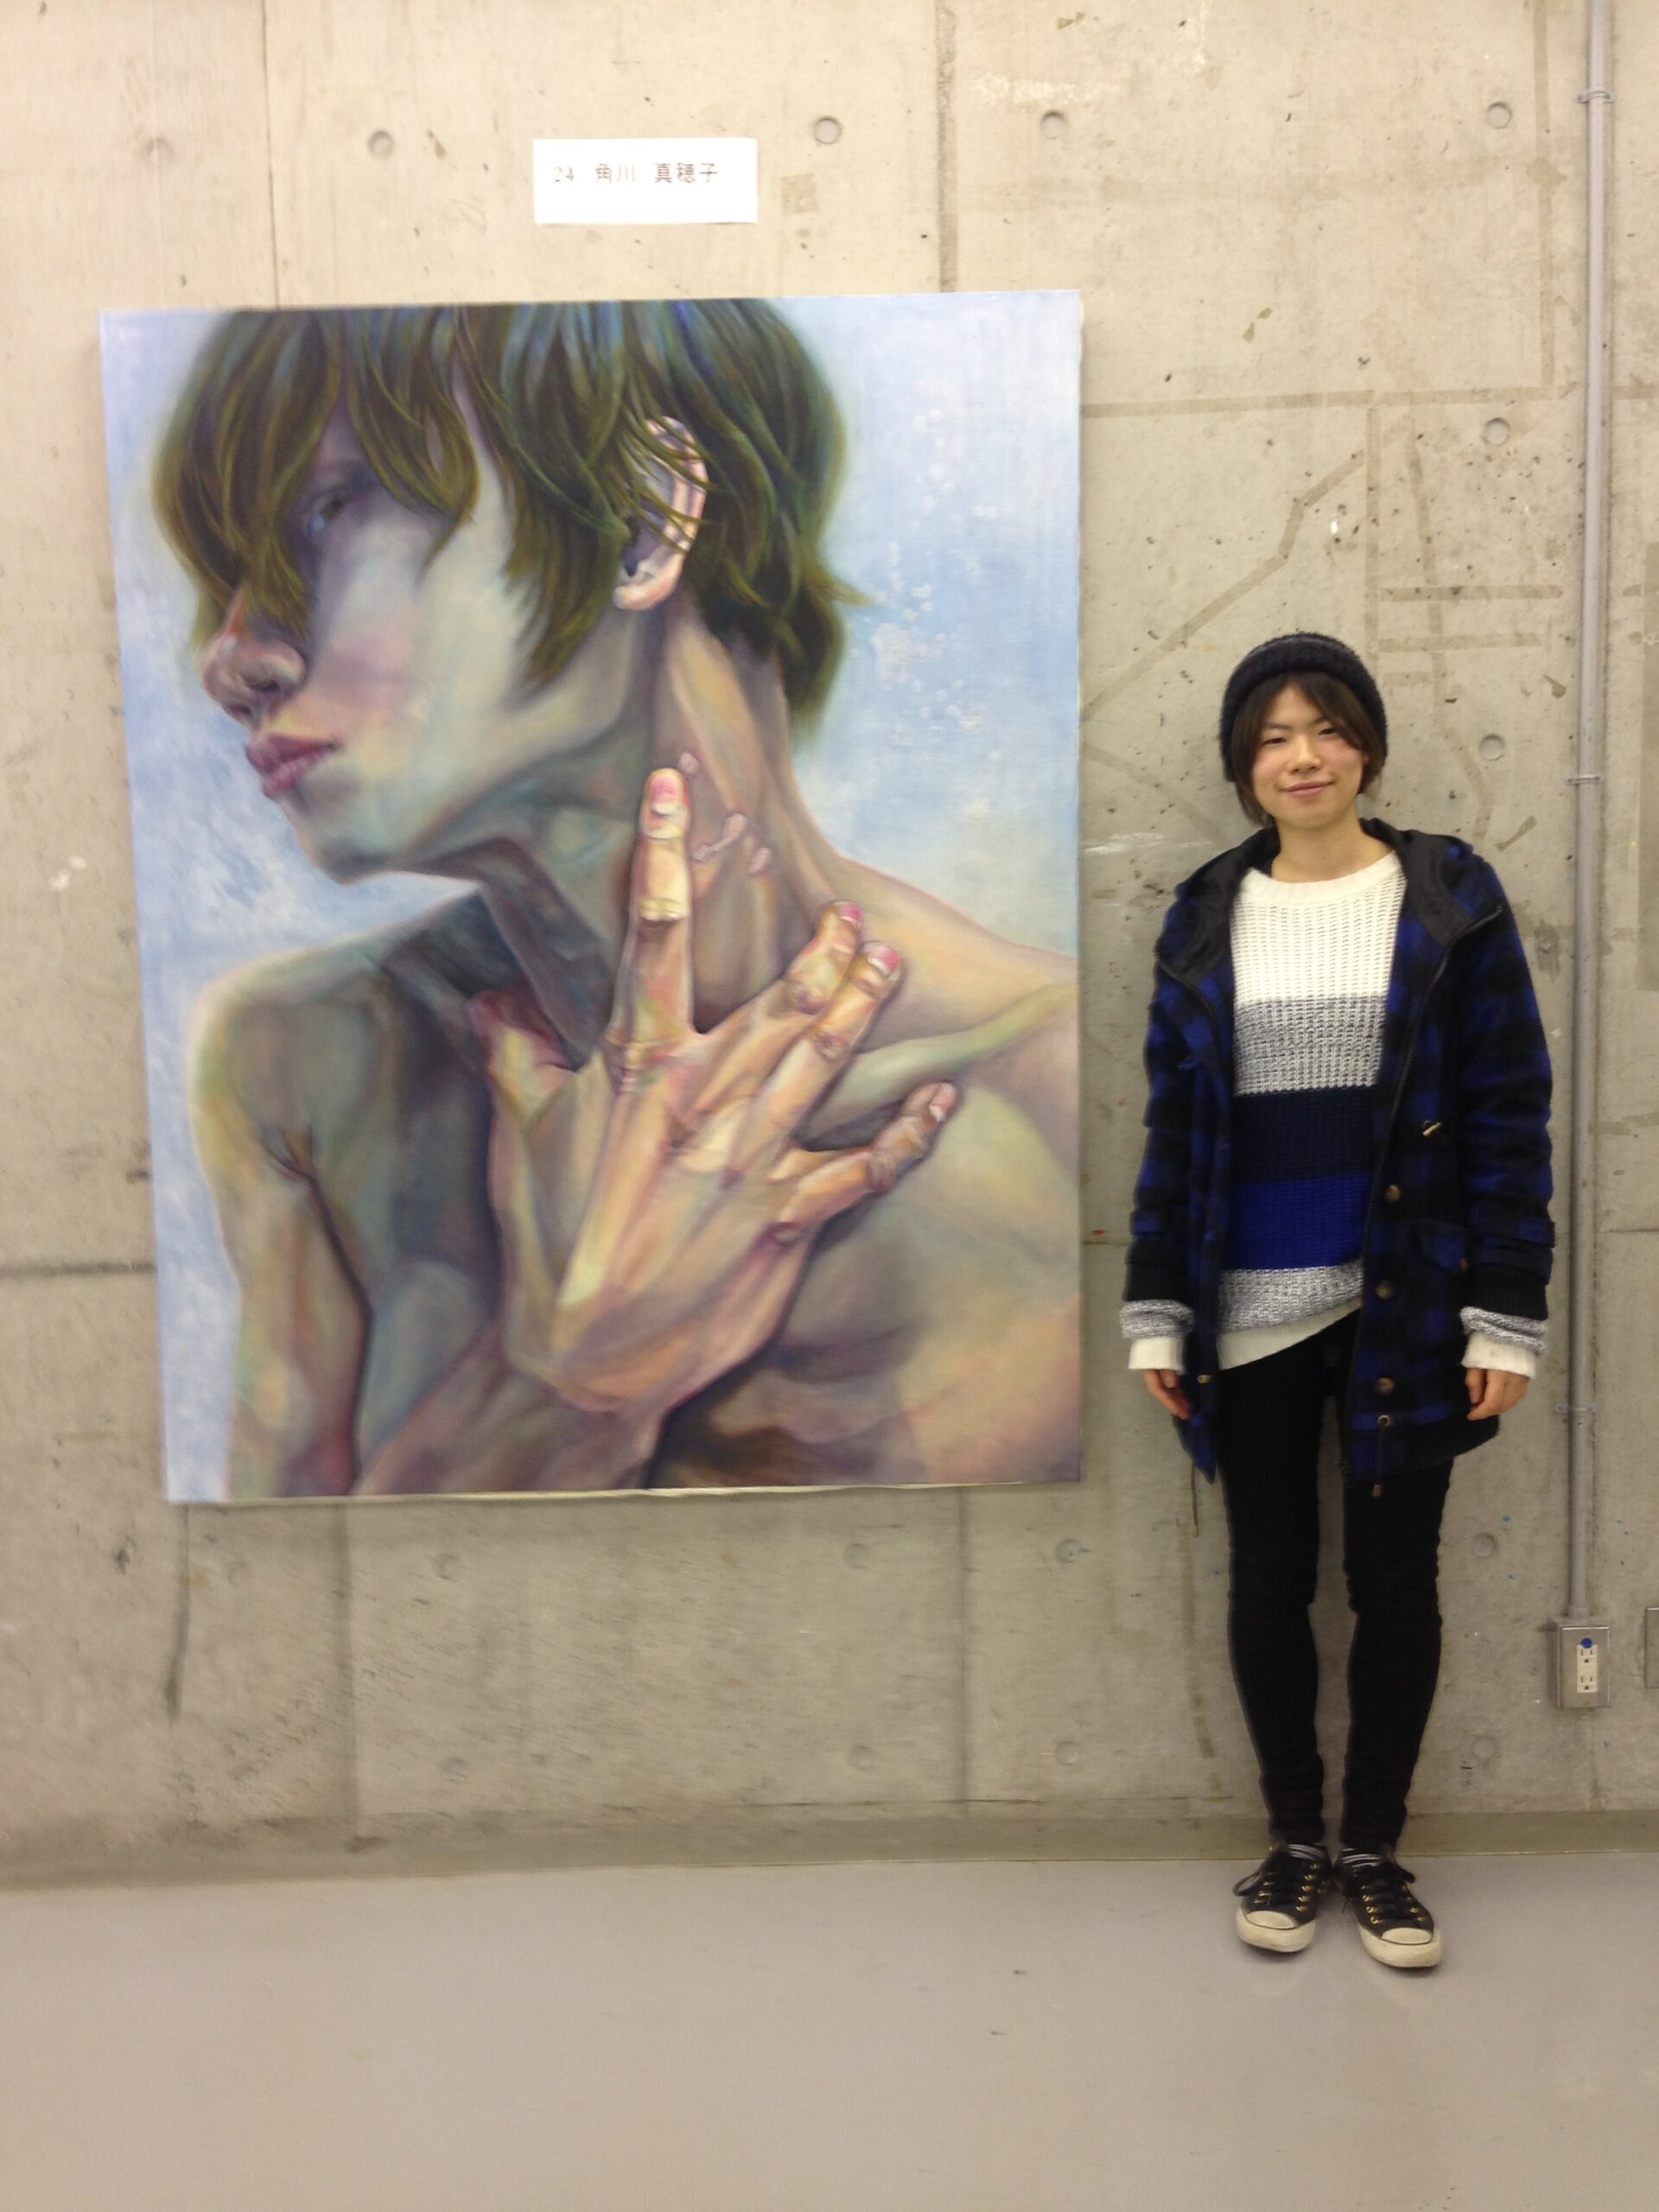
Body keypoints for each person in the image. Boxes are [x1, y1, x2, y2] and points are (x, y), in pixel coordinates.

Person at [153, 301, 1079, 1497]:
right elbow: (288, 1601)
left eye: (329, 512)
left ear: (643, 521)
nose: (230, 659)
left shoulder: (1060, 1098)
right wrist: (566, 1388)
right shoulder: (301, 1073)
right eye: (226, 573)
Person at [1120, 633, 1553, 1969]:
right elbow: (1176, 1131)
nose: (1301, 758)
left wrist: (1505, 1311)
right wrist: (1155, 1308)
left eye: (1324, 729)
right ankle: (1294, 1844)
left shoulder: (1450, 899)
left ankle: (1374, 1849)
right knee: (1267, 1578)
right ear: (1243, 767)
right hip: (1246, 1307)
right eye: (1272, 738)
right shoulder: (1206, 914)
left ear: (1364, 743)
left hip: (1405, 1307)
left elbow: (1507, 1114)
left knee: (1394, 1583)